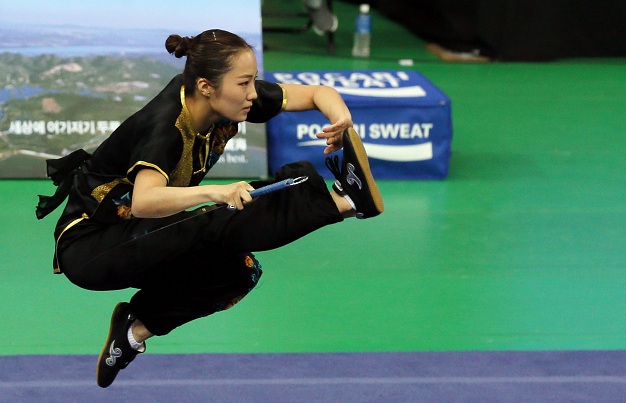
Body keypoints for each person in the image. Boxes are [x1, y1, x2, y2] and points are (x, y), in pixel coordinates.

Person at [35, 28, 383, 388]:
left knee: (238, 272)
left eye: (254, 81)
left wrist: (341, 120)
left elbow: (316, 93)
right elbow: (144, 201)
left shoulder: (229, 99)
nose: (252, 93)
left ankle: (133, 331)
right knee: (216, 218)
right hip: (91, 247)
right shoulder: (166, 126)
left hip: (144, 236)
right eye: (244, 83)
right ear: (206, 86)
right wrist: (216, 193)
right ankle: (342, 201)